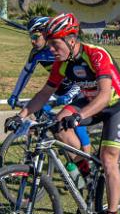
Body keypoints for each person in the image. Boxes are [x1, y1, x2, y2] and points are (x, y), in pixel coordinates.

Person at [7, 13, 120, 214]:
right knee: (57, 124)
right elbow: (45, 93)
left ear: (71, 40)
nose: (51, 50)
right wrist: (21, 115)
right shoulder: (62, 62)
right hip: (89, 101)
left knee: (108, 159)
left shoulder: (96, 54)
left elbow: (105, 94)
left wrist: (79, 116)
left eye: (55, 44)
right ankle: (87, 174)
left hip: (115, 104)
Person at [7, 16, 91, 154]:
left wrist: (70, 95)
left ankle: (87, 158)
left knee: (78, 127)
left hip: (78, 90)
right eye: (30, 36)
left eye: (35, 36)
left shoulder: (63, 50)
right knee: (41, 117)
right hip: (58, 91)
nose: (32, 41)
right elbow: (26, 73)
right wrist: (15, 95)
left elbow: (81, 76)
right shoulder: (37, 53)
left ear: (46, 33)